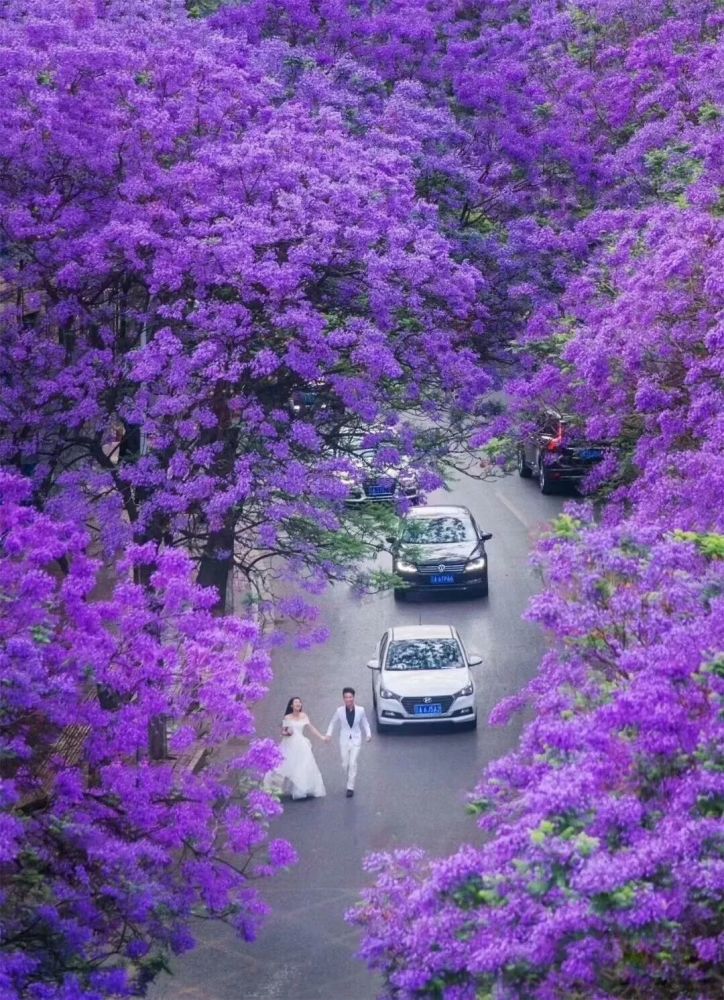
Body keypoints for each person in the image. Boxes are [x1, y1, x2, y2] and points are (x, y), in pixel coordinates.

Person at [265, 697, 326, 800]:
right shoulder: (287, 717)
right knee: (281, 766)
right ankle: (272, 788)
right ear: (291, 706)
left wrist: (322, 737)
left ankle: (301, 789)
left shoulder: (304, 716)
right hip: (289, 744)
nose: (298, 704)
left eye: (299, 702)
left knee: (303, 766)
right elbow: (283, 732)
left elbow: (311, 728)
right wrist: (288, 733)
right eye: (296, 702)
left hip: (301, 745)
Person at [324, 687, 371, 797]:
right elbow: (332, 723)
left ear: (353, 698)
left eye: (350, 697)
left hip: (356, 739)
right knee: (345, 763)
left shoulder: (360, 710)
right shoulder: (339, 711)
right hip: (344, 740)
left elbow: (365, 723)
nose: (348, 699)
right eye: (346, 697)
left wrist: (368, 734)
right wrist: (328, 734)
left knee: (352, 762)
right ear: (343, 699)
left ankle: (350, 787)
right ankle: (349, 774)